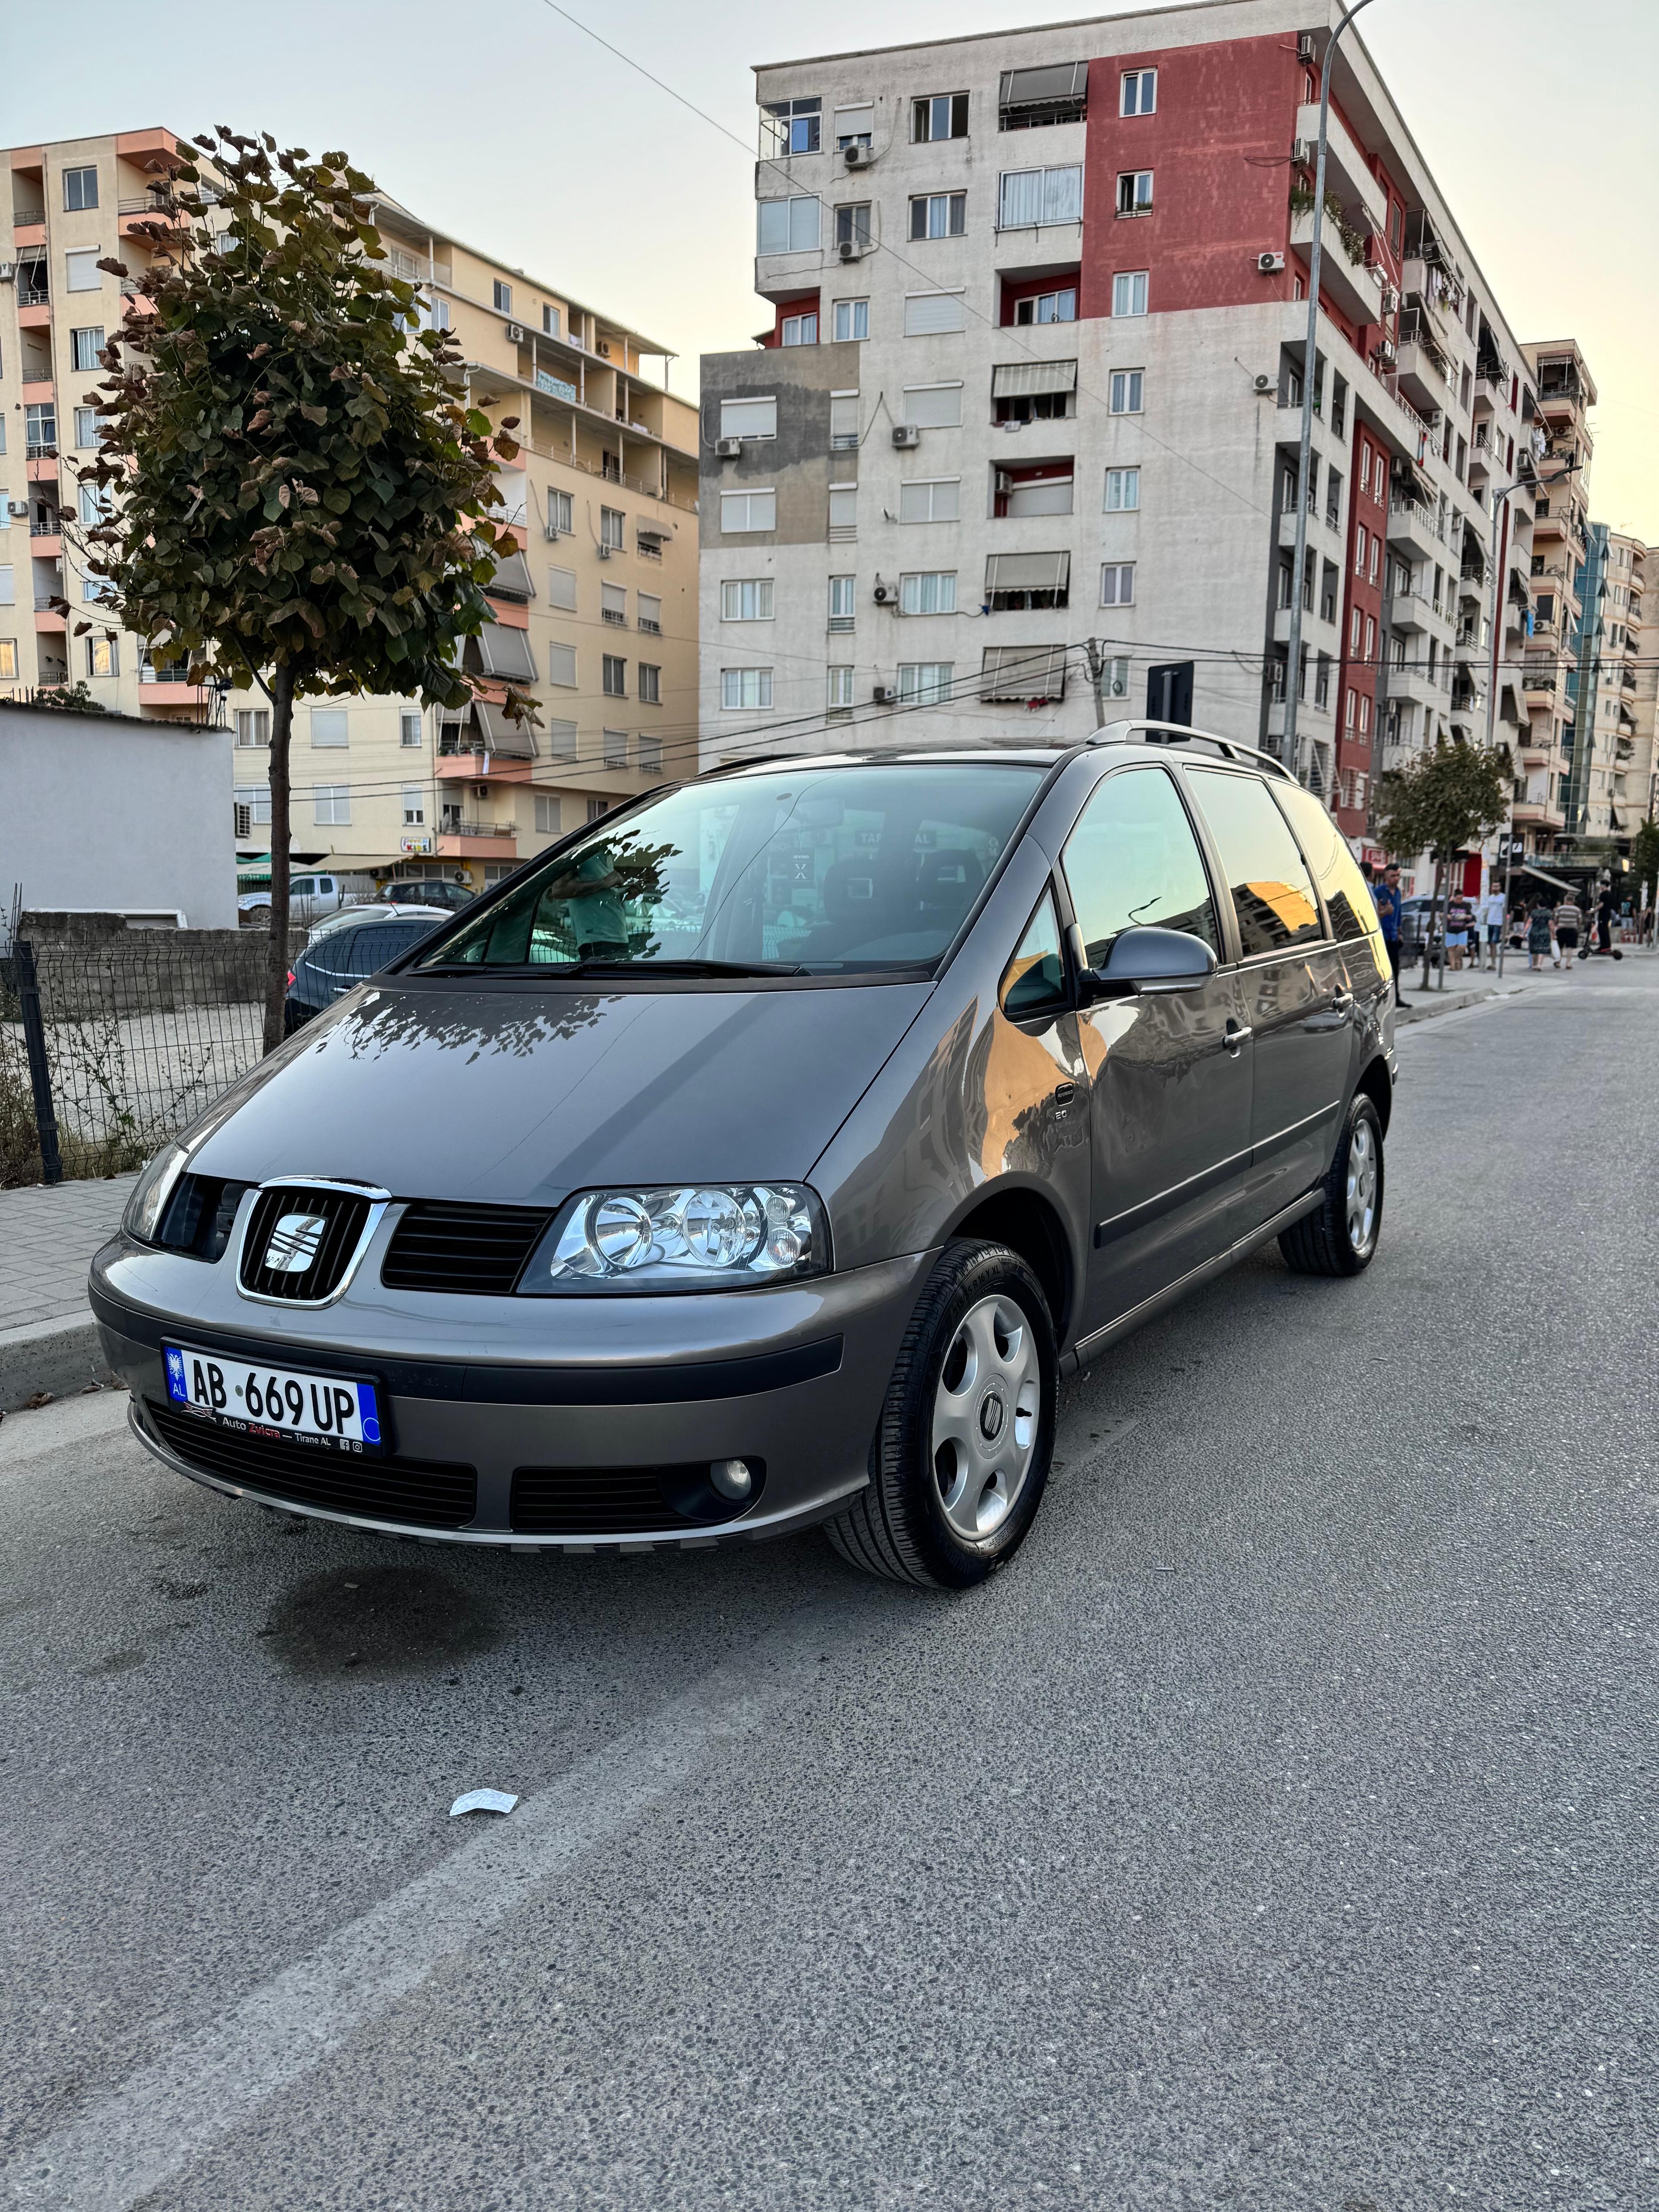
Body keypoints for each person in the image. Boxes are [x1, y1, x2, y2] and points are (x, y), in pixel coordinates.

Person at [545, 842, 631, 960]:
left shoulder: (606, 852)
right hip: (596, 939)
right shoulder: (581, 849)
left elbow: (603, 894)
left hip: (620, 936)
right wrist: (603, 883)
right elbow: (559, 890)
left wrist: (626, 893)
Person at [1372, 861, 1406, 1007]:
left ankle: (1396, 997)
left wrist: (1400, 932)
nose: (1396, 879)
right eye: (1393, 876)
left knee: (1395, 968)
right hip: (1382, 936)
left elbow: (1399, 914)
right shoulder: (1379, 892)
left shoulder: (1398, 893)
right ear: (1386, 876)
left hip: (1393, 936)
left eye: (1398, 876)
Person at [1444, 885, 1474, 973]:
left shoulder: (1465, 905)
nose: (1459, 900)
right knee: (1451, 948)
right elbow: (1442, 914)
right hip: (1451, 929)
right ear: (1454, 897)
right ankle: (1452, 966)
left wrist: (1465, 917)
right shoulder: (1449, 905)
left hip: (1462, 929)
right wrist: (1448, 916)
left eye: (1461, 898)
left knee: (1462, 946)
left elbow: (1470, 916)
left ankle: (1457, 958)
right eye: (1458, 898)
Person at [1552, 890, 1582, 969]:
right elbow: (1579, 921)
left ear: (1565, 901)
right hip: (1572, 929)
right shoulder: (1577, 910)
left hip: (1561, 929)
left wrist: (1557, 925)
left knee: (1560, 947)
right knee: (1570, 947)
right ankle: (1568, 963)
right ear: (1573, 901)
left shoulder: (1560, 909)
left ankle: (1558, 962)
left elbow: (1556, 919)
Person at [1481, 883, 1506, 971]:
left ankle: (1494, 963)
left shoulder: (1503, 897)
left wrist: (1505, 925)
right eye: (1494, 886)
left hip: (1498, 923)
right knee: (1490, 944)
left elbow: (1505, 911)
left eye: (1497, 886)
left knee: (1494, 943)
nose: (1495, 888)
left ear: (1500, 887)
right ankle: (1491, 962)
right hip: (1489, 922)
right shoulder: (1489, 898)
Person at [1527, 895, 1554, 973]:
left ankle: (1534, 964)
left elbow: (1529, 922)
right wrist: (1554, 934)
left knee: (1534, 949)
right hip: (1544, 932)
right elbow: (1550, 924)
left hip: (1534, 931)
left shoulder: (1534, 912)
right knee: (1542, 949)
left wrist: (1524, 932)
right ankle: (1539, 964)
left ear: (1538, 904)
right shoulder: (1548, 913)